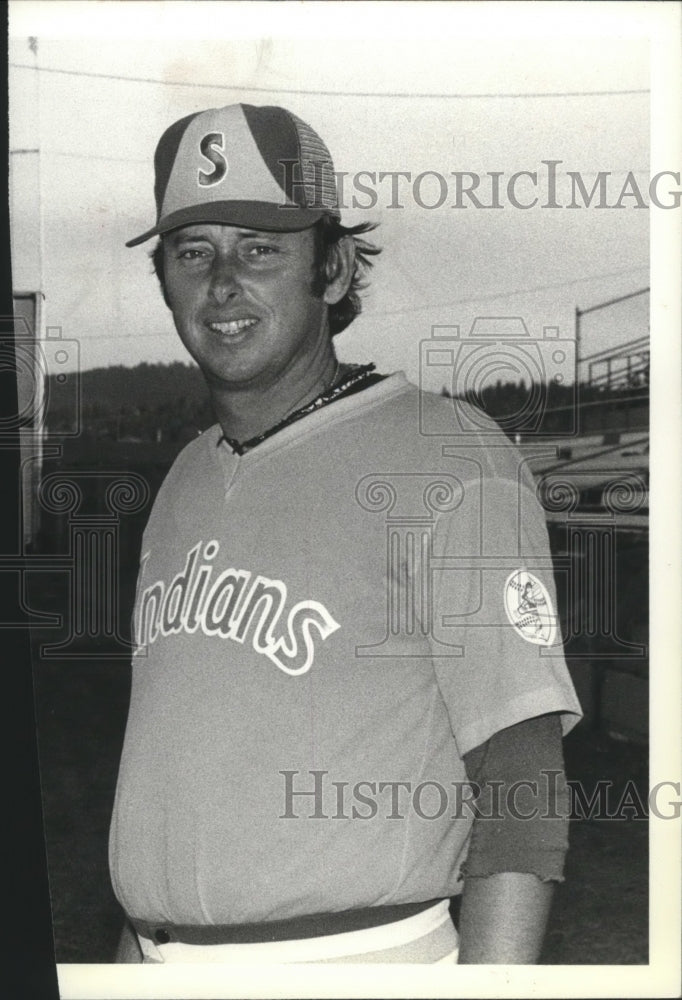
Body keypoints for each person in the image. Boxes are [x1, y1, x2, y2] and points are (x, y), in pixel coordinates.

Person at [110, 102, 582, 965]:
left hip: (358, 956)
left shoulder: (446, 453)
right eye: (192, 253)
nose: (222, 284)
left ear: (331, 270)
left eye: (260, 248)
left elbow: (522, 781)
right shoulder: (181, 478)